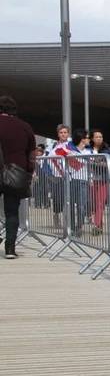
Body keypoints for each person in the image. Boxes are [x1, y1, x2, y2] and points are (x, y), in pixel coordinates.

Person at [0, 95, 35, 259]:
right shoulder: (25, 127)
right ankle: (10, 249)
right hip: (16, 172)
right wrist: (29, 171)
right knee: (12, 212)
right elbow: (31, 153)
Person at [64, 128, 93, 236]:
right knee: (71, 205)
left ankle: (79, 226)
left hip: (84, 180)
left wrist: (90, 178)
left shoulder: (89, 151)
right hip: (72, 180)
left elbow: (91, 166)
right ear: (82, 139)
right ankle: (71, 227)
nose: (89, 139)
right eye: (87, 137)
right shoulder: (70, 150)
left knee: (82, 206)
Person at [48, 123, 72, 228]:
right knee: (58, 199)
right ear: (58, 134)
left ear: (68, 134)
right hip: (57, 177)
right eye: (61, 133)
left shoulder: (72, 145)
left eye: (65, 132)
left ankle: (68, 222)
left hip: (71, 176)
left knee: (69, 200)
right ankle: (56, 216)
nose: (63, 134)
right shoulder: (54, 146)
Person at [89, 129, 110, 234]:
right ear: (92, 138)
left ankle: (96, 226)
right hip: (90, 179)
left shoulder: (107, 150)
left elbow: (108, 163)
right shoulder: (87, 149)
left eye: (101, 137)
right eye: (97, 137)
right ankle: (99, 224)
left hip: (103, 180)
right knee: (93, 204)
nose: (99, 138)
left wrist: (95, 162)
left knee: (100, 203)